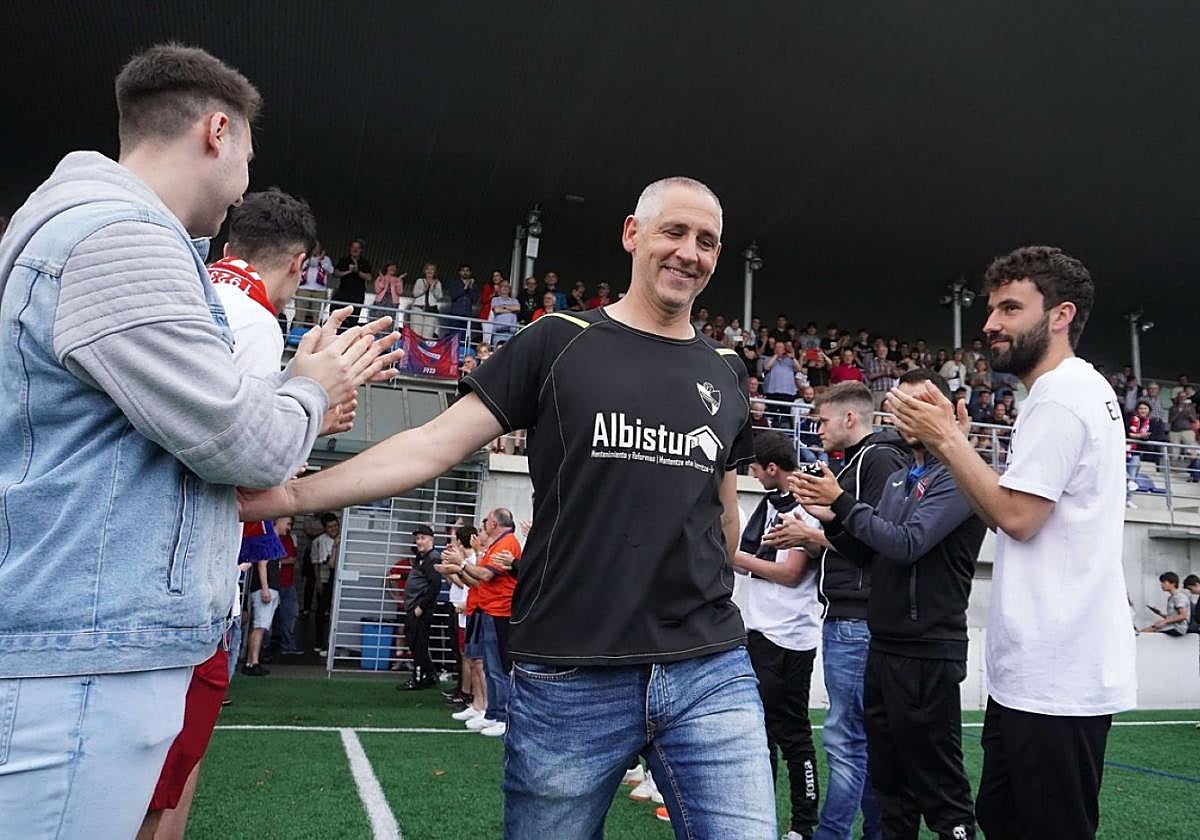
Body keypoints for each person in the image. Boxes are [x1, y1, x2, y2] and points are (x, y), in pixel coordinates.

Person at [239, 176, 778, 838]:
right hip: (571, 673)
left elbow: (723, 511)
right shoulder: (558, 339)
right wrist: (291, 495)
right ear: (633, 234)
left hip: (708, 667)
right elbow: (433, 445)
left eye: (707, 241)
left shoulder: (726, 368)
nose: (689, 252)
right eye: (674, 231)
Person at [0, 43, 404, 839]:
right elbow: (243, 446)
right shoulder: (121, 238)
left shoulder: (90, 230)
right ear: (217, 131)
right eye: (249, 156)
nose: (246, 184)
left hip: (81, 634)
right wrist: (315, 386)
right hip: (86, 649)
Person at [886, 245, 1136, 839]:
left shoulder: (1061, 396)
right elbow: (1006, 511)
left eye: (1010, 309)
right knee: (1004, 819)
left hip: (1056, 675)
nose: (990, 324)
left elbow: (1018, 518)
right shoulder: (1067, 391)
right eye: (991, 308)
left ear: (1061, 315)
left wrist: (947, 441)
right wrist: (958, 448)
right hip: (1043, 673)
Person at [793, 370, 985, 840]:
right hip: (884, 646)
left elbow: (906, 544)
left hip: (928, 651)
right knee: (890, 787)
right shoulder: (900, 478)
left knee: (941, 790)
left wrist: (842, 503)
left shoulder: (958, 477)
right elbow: (872, 554)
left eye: (921, 403)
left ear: (946, 411)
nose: (908, 414)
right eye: (901, 405)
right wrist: (832, 518)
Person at [764, 381, 907, 840]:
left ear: (850, 418)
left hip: (857, 619)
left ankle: (832, 833)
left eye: (823, 420)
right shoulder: (861, 461)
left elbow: (879, 541)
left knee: (847, 741)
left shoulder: (877, 459)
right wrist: (815, 529)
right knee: (860, 740)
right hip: (849, 616)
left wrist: (812, 534)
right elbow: (860, 535)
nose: (817, 430)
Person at [732, 432, 822, 840]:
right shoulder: (771, 504)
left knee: (792, 735)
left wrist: (734, 556)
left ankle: (803, 824)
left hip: (788, 636)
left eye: (755, 469)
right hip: (760, 631)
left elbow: (790, 573)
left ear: (772, 468)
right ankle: (761, 819)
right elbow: (750, 561)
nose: (752, 475)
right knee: (761, 732)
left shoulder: (806, 506)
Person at [403, 525, 444, 688]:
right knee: (415, 642)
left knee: (418, 644)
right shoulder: (422, 557)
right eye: (417, 538)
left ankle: (419, 678)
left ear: (431, 540)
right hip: (414, 606)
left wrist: (421, 607)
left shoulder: (432, 558)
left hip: (419, 608)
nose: (419, 541)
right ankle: (430, 675)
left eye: (423, 538)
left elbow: (435, 586)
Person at [312, 513, 341, 656]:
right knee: (321, 611)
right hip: (325, 578)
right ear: (324, 528)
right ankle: (319, 641)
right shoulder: (319, 541)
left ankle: (332, 644)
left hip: (338, 578)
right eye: (330, 527)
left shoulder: (343, 537)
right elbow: (317, 563)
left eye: (335, 526)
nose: (333, 529)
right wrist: (318, 580)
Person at [333, 238, 372, 327]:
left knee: (353, 321)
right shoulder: (344, 260)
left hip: (357, 296)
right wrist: (349, 271)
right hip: (343, 295)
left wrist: (358, 271)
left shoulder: (365, 263)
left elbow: (369, 277)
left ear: (361, 250)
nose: (355, 250)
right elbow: (336, 273)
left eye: (357, 248)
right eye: (353, 247)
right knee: (339, 319)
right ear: (350, 248)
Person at [1139, 572, 1191, 636]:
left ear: (1173, 583)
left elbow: (1183, 615)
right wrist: (1159, 613)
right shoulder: (1171, 598)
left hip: (1178, 628)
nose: (1162, 585)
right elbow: (1173, 617)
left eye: (1164, 582)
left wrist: (1164, 622)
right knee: (1148, 629)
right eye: (1161, 583)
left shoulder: (1179, 597)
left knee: (1145, 631)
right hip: (1173, 626)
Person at [296, 241, 334, 327]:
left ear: (321, 249)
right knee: (299, 315)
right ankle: (296, 332)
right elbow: (301, 267)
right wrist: (312, 258)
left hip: (320, 290)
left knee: (317, 316)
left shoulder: (326, 259)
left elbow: (331, 271)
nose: (315, 249)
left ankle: (316, 332)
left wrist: (321, 261)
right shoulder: (304, 257)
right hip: (303, 288)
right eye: (313, 247)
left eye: (317, 247)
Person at [410, 261, 444, 337]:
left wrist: (433, 287)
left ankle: (424, 345)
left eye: (432, 269)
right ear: (424, 271)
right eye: (427, 269)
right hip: (418, 308)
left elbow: (439, 296)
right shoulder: (420, 280)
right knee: (416, 332)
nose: (429, 271)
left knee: (428, 332)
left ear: (435, 272)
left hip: (431, 309)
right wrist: (425, 288)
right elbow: (415, 294)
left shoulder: (437, 282)